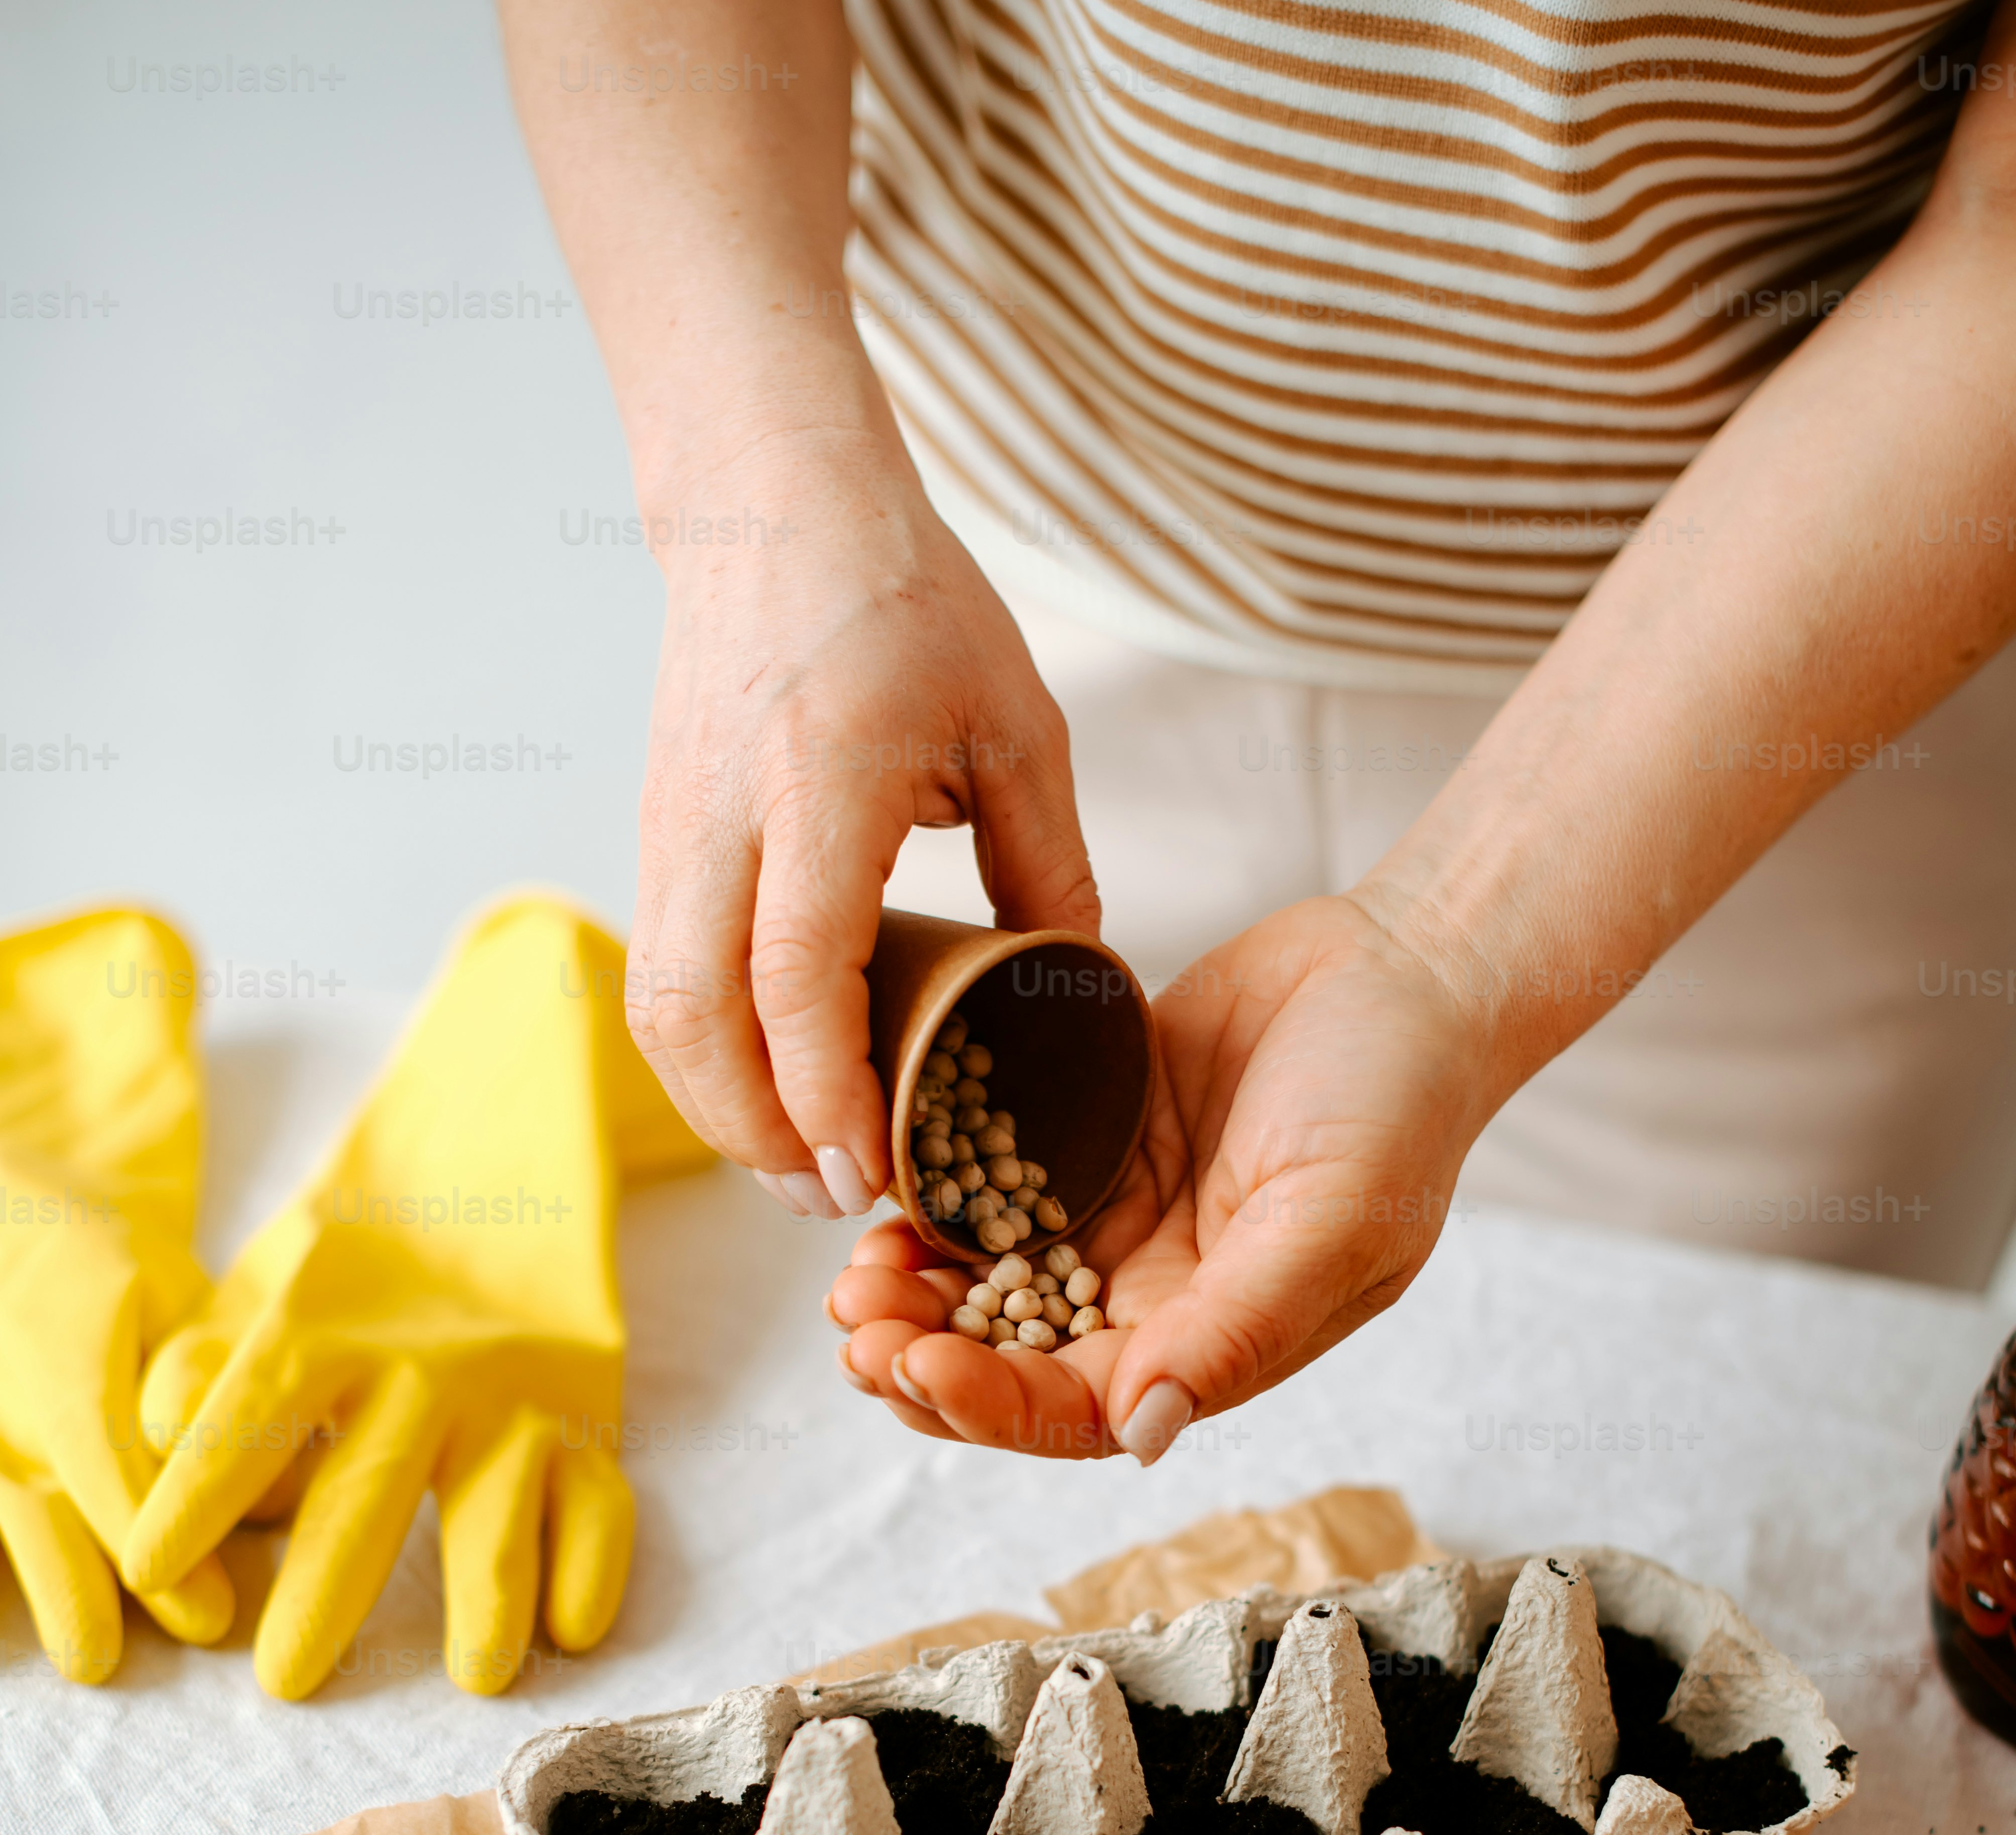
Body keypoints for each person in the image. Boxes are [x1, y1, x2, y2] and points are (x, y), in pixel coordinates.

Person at [499, 0, 2016, 1464]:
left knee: (1725, 1457)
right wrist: (769, 502)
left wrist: (1451, 950)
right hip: (966, 595)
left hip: (1784, 683)